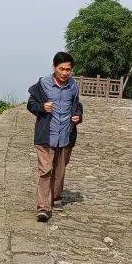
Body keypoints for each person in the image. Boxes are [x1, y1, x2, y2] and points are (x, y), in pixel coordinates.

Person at [27, 52, 83, 222]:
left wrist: (78, 116)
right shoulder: (43, 84)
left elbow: (77, 105)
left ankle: (55, 198)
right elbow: (31, 104)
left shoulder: (73, 86)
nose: (65, 73)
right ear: (54, 67)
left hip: (65, 135)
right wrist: (42, 107)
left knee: (59, 171)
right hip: (46, 135)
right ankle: (43, 208)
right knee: (45, 170)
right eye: (61, 69)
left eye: (68, 69)